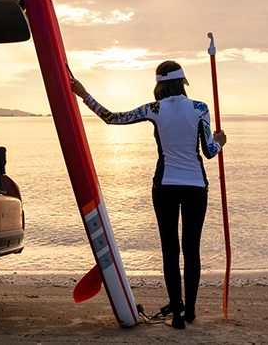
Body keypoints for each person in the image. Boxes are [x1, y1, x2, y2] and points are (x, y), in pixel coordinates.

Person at [71, 60, 226, 329]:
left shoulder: (153, 109)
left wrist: (84, 94)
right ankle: (190, 312)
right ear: (182, 82)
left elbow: (111, 118)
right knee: (191, 249)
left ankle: (177, 314)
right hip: (195, 188)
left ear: (159, 85)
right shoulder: (200, 108)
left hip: (164, 187)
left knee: (170, 250)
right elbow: (209, 152)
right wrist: (220, 142)